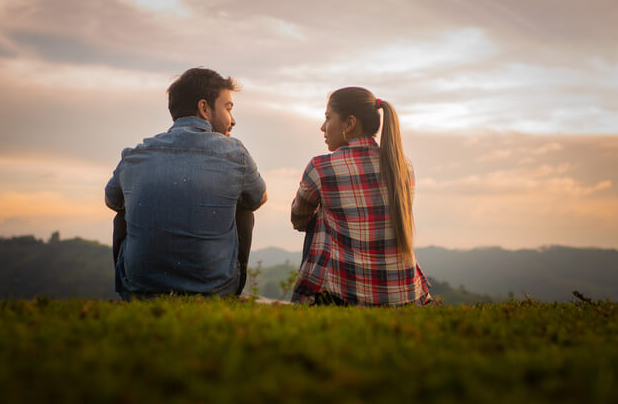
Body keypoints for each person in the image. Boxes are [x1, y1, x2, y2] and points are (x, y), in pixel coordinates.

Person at [105, 68, 267, 300]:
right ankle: (225, 292)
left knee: (123, 211)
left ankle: (136, 287)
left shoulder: (135, 154)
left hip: (139, 290)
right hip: (214, 291)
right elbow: (258, 198)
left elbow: (111, 201)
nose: (233, 120)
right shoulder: (235, 152)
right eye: (228, 108)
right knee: (244, 209)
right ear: (204, 108)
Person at [290, 87, 432, 306]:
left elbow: (298, 219)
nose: (322, 127)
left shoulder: (321, 167)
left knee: (319, 218)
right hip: (404, 295)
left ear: (349, 123)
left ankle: (310, 300)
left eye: (328, 118)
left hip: (344, 295)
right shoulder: (404, 167)